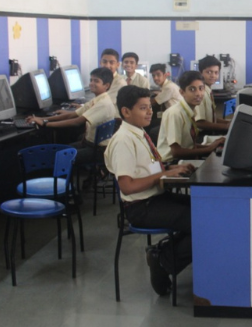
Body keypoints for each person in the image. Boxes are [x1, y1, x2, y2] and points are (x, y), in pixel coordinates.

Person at [104, 85, 195, 295]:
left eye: (149, 107)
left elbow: (147, 169)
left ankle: (162, 252)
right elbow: (127, 186)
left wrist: (171, 170)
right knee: (202, 222)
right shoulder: (124, 141)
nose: (149, 112)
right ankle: (163, 260)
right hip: (140, 208)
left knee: (204, 210)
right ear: (126, 112)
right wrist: (161, 176)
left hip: (155, 197)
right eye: (143, 108)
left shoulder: (139, 133)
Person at [26, 67, 116, 165]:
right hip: (89, 144)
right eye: (91, 80)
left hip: (97, 150)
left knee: (60, 156)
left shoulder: (103, 104)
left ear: (106, 85)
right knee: (60, 151)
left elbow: (76, 122)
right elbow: (72, 115)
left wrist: (45, 124)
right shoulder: (97, 100)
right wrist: (42, 118)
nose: (91, 83)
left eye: (96, 81)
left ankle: (65, 175)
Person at [156, 70, 225, 163]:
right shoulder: (175, 113)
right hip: (172, 163)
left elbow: (189, 146)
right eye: (192, 89)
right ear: (182, 92)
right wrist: (208, 149)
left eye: (201, 88)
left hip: (184, 159)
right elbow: (176, 152)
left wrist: (212, 146)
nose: (198, 93)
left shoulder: (190, 110)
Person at [195, 55, 230, 132]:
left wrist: (229, 123)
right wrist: (226, 127)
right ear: (200, 73)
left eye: (216, 72)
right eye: (209, 72)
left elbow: (211, 119)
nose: (213, 76)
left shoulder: (208, 91)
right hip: (200, 135)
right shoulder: (200, 93)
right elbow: (199, 122)